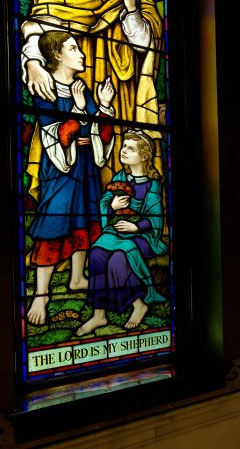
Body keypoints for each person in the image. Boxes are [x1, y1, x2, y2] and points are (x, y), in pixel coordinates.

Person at [20, 0, 163, 185]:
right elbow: (41, 20)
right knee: (77, 158)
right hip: (75, 74)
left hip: (119, 84)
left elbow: (148, 43)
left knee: (121, 147)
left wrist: (132, 9)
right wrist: (34, 61)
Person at [26, 31, 115, 326]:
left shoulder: (82, 88)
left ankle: (77, 277)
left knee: (83, 220)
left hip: (86, 166)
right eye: (74, 48)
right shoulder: (45, 88)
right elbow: (54, 132)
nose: (82, 54)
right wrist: (78, 112)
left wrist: (103, 106)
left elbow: (98, 132)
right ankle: (41, 294)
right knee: (54, 221)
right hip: (60, 168)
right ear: (57, 55)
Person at [76, 129, 168, 335]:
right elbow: (105, 203)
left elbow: (155, 217)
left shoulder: (152, 185)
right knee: (97, 254)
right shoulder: (120, 177)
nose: (124, 151)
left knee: (119, 258)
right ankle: (99, 315)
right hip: (115, 230)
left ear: (144, 155)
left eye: (130, 148)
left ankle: (139, 305)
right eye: (124, 146)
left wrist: (136, 227)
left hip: (142, 236)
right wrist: (113, 207)